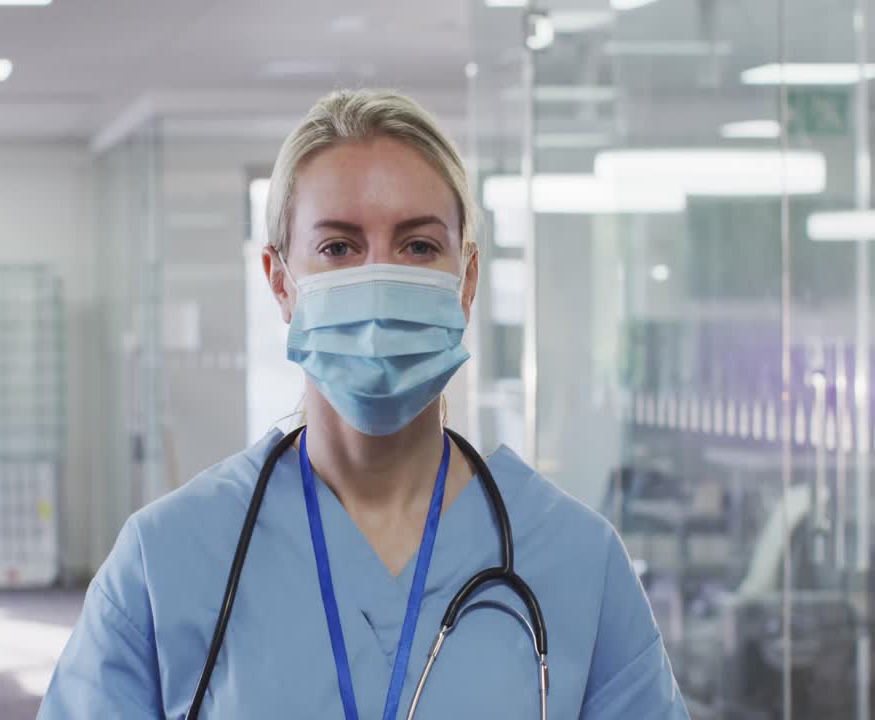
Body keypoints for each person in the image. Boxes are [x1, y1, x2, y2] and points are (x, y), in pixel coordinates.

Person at [39, 89, 689, 719]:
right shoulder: (169, 559)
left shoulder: (577, 560)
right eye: (339, 247)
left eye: (418, 246)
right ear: (280, 281)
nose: (379, 277)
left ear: (465, 282)